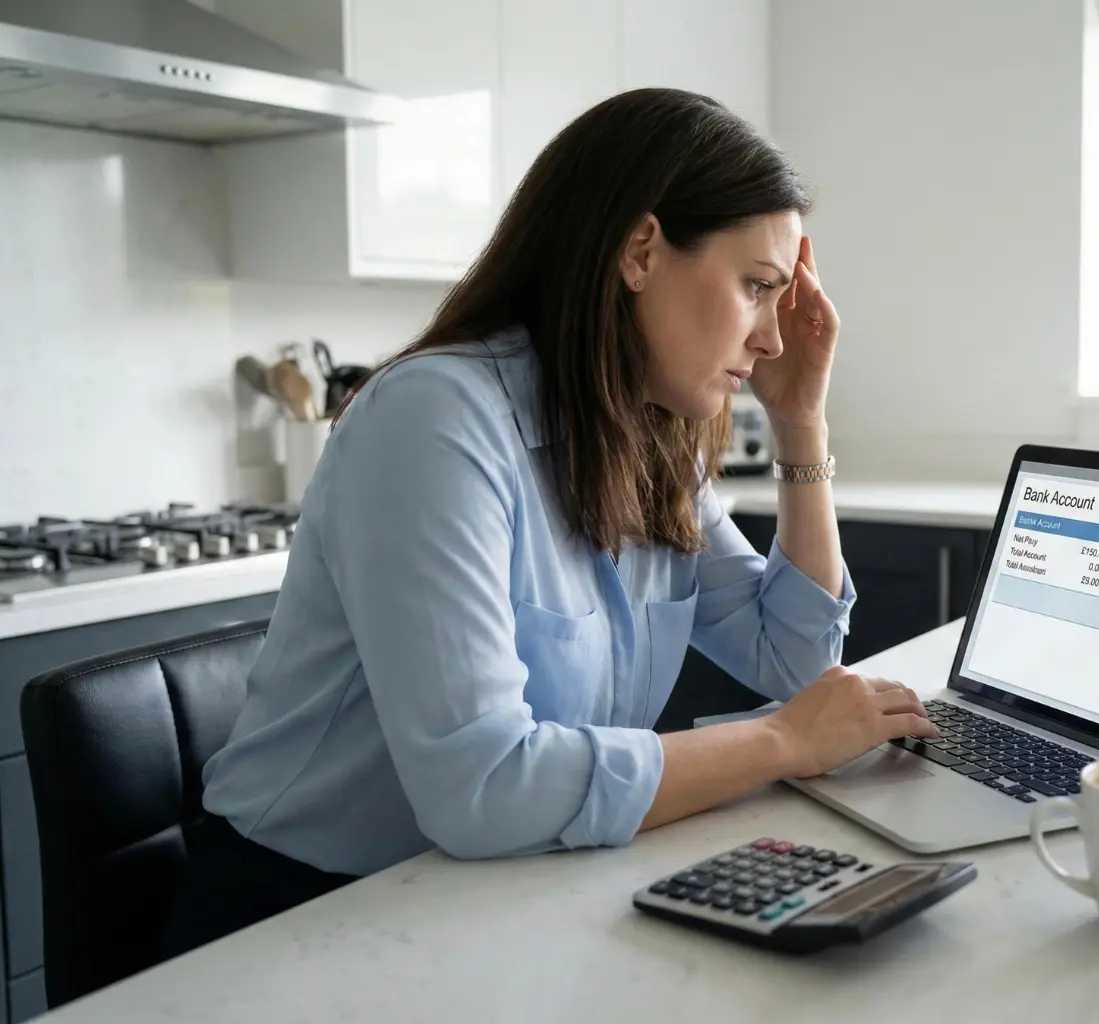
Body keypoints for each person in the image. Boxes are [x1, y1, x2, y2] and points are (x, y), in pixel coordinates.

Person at [161, 87, 938, 957]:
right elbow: (485, 784)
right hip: (305, 919)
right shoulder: (434, 420)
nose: (773, 340)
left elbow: (795, 660)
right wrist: (781, 743)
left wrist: (802, 424)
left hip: (507, 888)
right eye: (757, 287)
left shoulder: (650, 440)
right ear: (641, 250)